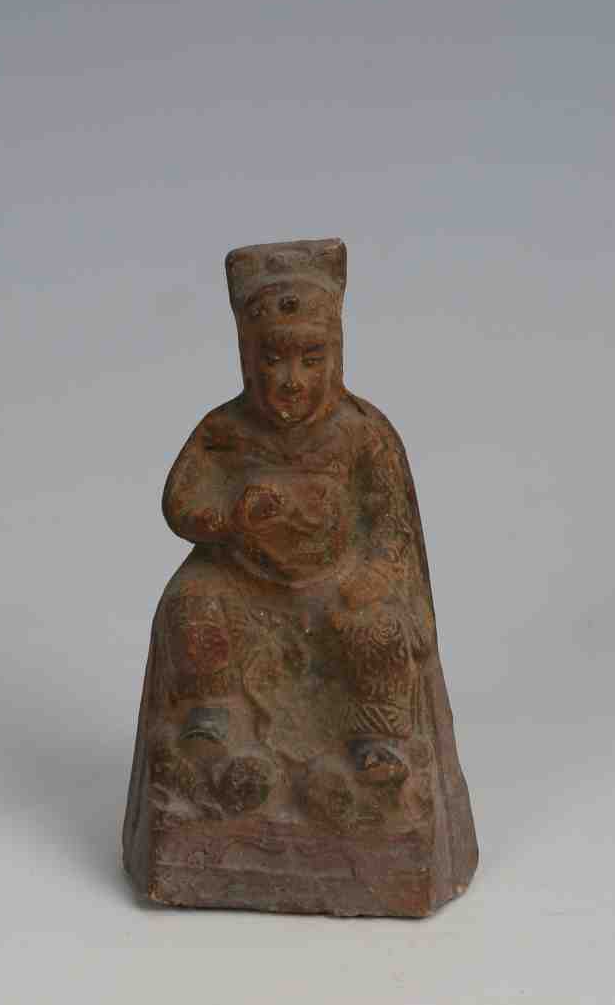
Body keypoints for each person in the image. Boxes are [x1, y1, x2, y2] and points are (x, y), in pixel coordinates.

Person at [123, 239, 478, 916]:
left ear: (336, 355)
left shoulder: (363, 435)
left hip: (335, 587)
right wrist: (229, 516)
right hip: (244, 582)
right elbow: (179, 502)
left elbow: (393, 528)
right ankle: (211, 719)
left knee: (376, 628)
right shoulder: (225, 431)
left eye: (311, 359)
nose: (291, 379)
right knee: (190, 604)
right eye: (273, 359)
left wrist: (373, 578)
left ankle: (375, 743)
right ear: (246, 357)